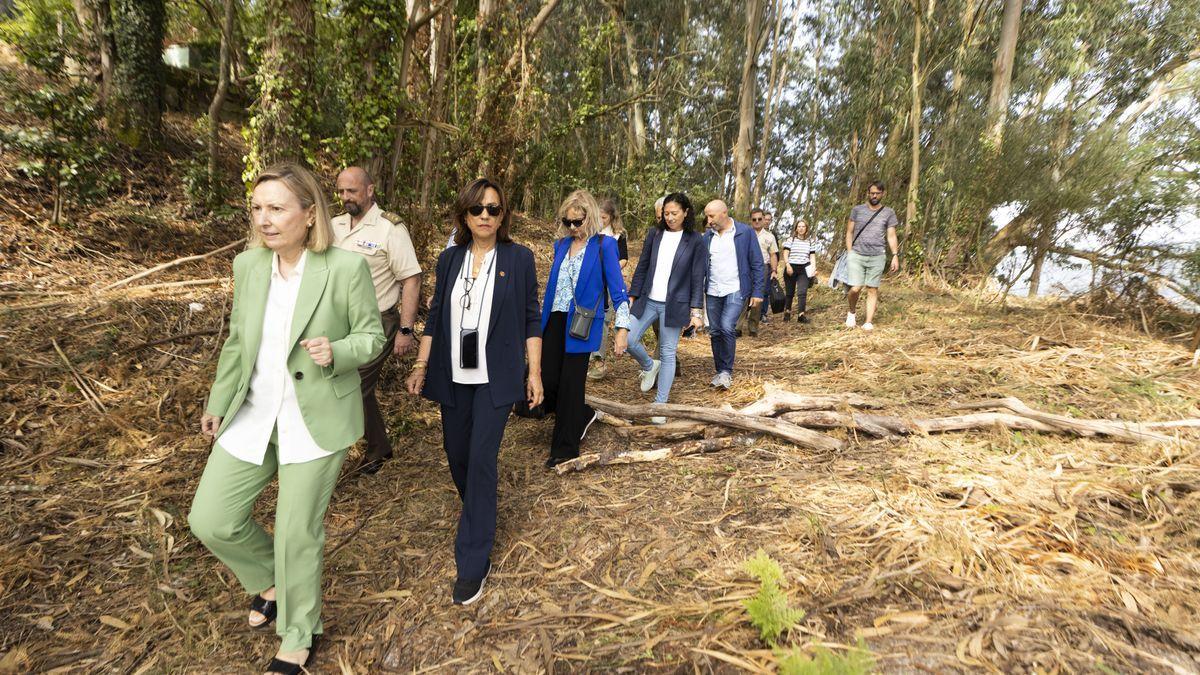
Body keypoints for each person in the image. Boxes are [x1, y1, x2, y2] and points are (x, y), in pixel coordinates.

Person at [190, 163, 385, 674]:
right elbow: (238, 343)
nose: (264, 219)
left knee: (296, 533)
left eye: (276, 208)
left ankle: (298, 633)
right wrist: (218, 400)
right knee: (210, 518)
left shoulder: (345, 268)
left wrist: (337, 350)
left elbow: (372, 337)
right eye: (257, 208)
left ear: (308, 212)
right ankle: (270, 582)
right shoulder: (248, 266)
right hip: (253, 413)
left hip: (314, 418)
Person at [405, 178, 543, 605]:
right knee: (457, 454)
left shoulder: (519, 259)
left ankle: (473, 558)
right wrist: (421, 364)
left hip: (496, 376)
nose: (485, 215)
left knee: (482, 458)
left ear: (504, 216)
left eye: (494, 209)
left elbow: (530, 319)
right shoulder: (449, 260)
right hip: (452, 374)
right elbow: (434, 317)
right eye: (477, 209)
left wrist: (533, 373)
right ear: (464, 215)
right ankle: (479, 509)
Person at [331, 167, 422, 475]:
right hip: (338, 324)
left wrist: (405, 330)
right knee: (353, 388)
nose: (345, 198)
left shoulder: (389, 229)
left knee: (353, 388)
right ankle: (379, 447)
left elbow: (411, 278)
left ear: (370, 190)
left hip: (377, 323)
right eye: (341, 191)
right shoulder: (334, 226)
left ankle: (335, 459)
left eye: (352, 191)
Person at [541, 189, 630, 468]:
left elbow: (618, 291)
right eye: (567, 222)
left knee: (570, 385)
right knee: (549, 381)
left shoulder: (604, 246)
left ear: (590, 218)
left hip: (580, 324)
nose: (572, 228)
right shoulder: (560, 245)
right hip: (553, 320)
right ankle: (580, 414)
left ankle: (565, 449)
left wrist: (621, 329)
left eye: (577, 222)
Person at [625, 192, 705, 423]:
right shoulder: (655, 234)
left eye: (674, 213)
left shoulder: (695, 240)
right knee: (628, 339)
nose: (669, 217)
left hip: (675, 304)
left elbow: (698, 276)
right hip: (647, 300)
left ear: (686, 212)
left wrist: (696, 312)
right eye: (666, 213)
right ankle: (650, 365)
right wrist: (633, 295)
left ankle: (660, 405)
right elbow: (642, 266)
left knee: (668, 352)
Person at [702, 199, 764, 389]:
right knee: (714, 331)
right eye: (707, 216)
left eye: (711, 216)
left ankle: (726, 372)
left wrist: (757, 291)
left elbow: (757, 263)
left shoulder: (744, 232)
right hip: (713, 290)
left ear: (724, 213)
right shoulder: (707, 237)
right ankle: (720, 371)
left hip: (735, 289)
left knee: (727, 327)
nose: (708, 220)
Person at [845, 181, 900, 330]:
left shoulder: (889, 213)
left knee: (872, 288)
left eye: (877, 193)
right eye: (872, 193)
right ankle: (851, 312)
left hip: (877, 256)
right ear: (868, 194)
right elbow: (849, 232)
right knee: (855, 288)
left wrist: (895, 255)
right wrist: (850, 251)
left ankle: (868, 322)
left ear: (883, 194)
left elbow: (891, 235)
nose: (874, 196)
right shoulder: (857, 210)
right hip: (857, 254)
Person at [587, 197, 629, 381]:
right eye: (598, 216)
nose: (600, 220)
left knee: (604, 320)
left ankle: (599, 361)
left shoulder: (618, 235)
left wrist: (610, 268)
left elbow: (624, 258)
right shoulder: (589, 232)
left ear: (611, 217)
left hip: (610, 286)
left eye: (603, 217)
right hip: (592, 284)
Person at [739, 207, 778, 336]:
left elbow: (773, 255)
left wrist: (774, 270)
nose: (756, 221)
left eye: (759, 219)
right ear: (751, 220)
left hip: (762, 268)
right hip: (745, 267)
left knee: (758, 297)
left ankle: (753, 327)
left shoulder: (769, 237)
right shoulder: (744, 233)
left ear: (763, 220)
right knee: (743, 295)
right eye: (754, 219)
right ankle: (737, 327)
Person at [781, 220, 816, 323]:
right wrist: (787, 265)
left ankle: (801, 315)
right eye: (799, 226)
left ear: (806, 229)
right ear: (796, 228)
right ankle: (787, 312)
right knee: (789, 292)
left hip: (804, 269)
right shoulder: (790, 240)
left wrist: (813, 268)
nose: (801, 228)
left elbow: (812, 256)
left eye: (803, 226)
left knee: (802, 292)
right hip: (791, 267)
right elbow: (785, 253)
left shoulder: (810, 241)